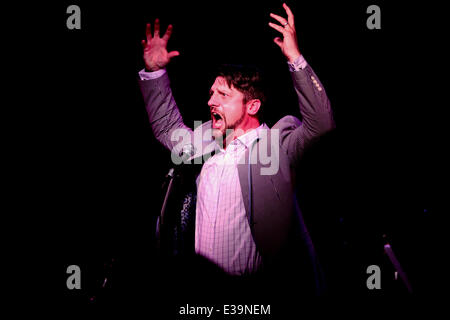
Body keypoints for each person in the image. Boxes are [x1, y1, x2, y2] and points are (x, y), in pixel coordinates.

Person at [138, 3, 335, 295]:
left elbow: (321, 123)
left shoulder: (275, 146)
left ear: (252, 106)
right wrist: (155, 73)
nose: (210, 102)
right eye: (211, 94)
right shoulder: (204, 141)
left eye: (223, 95)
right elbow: (167, 128)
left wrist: (294, 57)